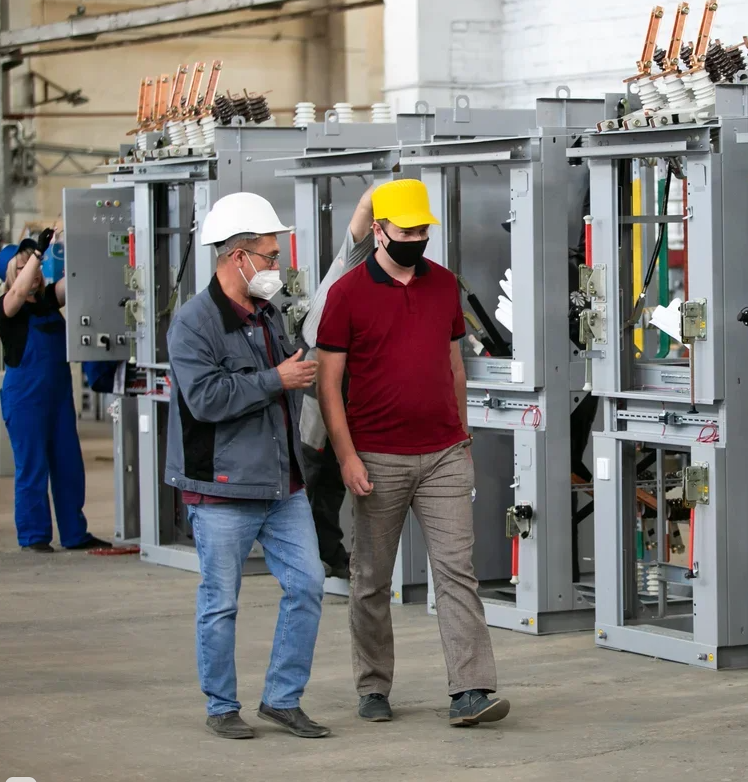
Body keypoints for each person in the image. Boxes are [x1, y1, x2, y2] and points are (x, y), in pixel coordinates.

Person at [316, 179, 510, 728]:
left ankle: (471, 689)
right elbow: (330, 384)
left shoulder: (443, 284)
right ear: (378, 231)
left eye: (424, 229)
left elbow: (453, 365)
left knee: (457, 571)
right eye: (408, 230)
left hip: (445, 453)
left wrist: (462, 434)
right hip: (376, 455)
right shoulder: (347, 293)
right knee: (372, 577)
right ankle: (373, 686)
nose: (418, 238)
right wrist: (347, 456)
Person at [164, 192, 329, 740]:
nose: (277, 266)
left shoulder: (268, 314)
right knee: (220, 603)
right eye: (271, 256)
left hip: (282, 484)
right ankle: (221, 706)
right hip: (222, 489)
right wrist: (276, 380)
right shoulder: (193, 323)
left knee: (307, 585)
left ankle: (282, 698)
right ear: (238, 258)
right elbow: (206, 399)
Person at [0, 236, 111, 553]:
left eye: (35, 268)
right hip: (24, 399)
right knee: (32, 468)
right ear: (10, 275)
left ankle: (75, 533)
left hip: (59, 397)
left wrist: (87, 239)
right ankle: (34, 536)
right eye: (22, 268)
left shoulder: (48, 300)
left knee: (68, 465)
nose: (31, 274)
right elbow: (19, 293)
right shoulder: (8, 307)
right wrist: (37, 253)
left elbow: (73, 282)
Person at [297, 186, 377, 580]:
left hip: (355, 383)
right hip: (318, 371)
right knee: (314, 467)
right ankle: (308, 555)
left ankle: (329, 550)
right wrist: (383, 190)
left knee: (335, 475)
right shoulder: (352, 264)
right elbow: (362, 216)